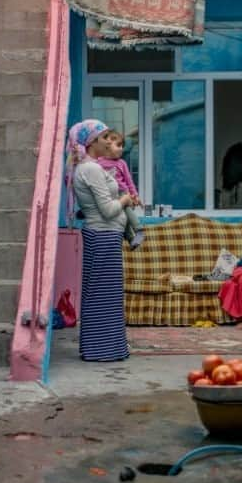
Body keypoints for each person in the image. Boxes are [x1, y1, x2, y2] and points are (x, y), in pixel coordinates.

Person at [67, 119, 137, 362]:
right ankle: (103, 351)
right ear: (92, 142)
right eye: (105, 137)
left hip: (103, 236)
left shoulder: (89, 167)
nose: (109, 142)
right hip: (103, 236)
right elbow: (108, 210)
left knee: (103, 296)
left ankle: (106, 349)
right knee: (103, 298)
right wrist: (126, 200)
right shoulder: (92, 170)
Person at [95, 130, 145, 249]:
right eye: (118, 145)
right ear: (107, 145)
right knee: (122, 217)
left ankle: (139, 230)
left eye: (122, 146)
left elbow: (129, 181)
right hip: (107, 195)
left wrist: (135, 195)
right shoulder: (98, 162)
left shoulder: (121, 163)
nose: (121, 149)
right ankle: (131, 238)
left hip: (122, 193)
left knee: (126, 211)